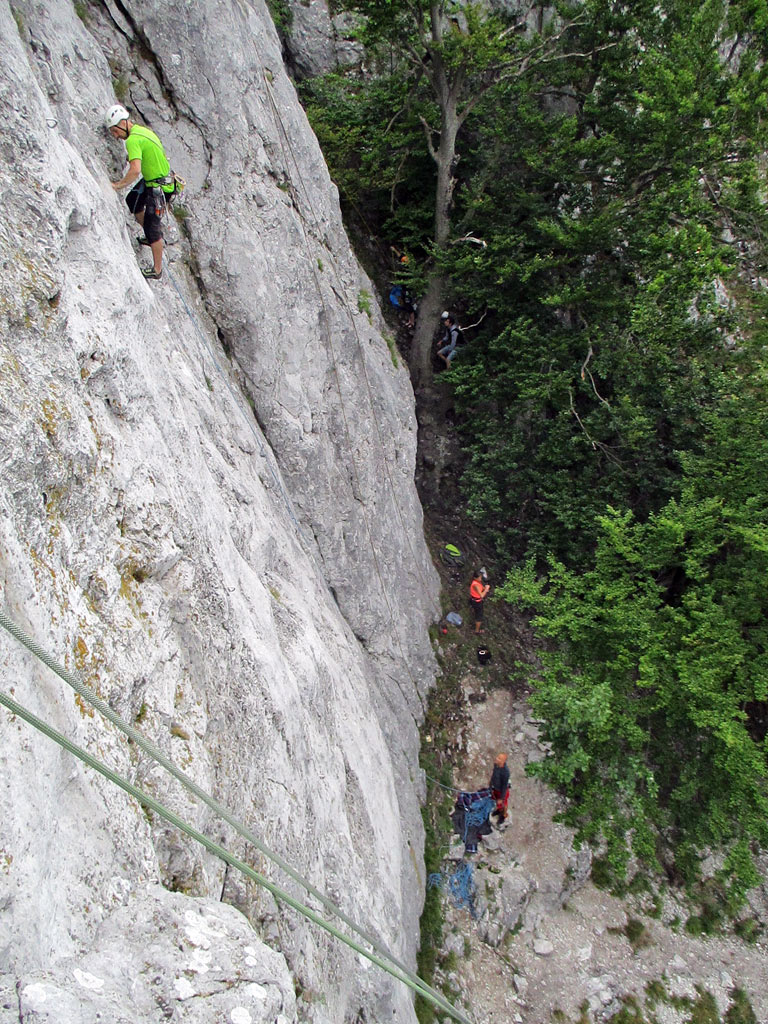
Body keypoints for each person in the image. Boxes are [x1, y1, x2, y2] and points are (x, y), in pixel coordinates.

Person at [105, 104, 175, 281]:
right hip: (159, 179)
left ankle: (157, 269)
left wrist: (118, 185)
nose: (115, 136)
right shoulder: (142, 132)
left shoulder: (132, 140)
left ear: (122, 124)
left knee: (153, 227)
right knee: (133, 201)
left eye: (115, 131)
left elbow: (135, 170)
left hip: (159, 187)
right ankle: (151, 235)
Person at [489, 753, 510, 824]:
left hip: (501, 791)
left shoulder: (505, 772)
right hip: (495, 788)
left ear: (503, 761)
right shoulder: (496, 765)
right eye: (497, 757)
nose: (496, 759)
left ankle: (503, 815)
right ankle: (499, 810)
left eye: (499, 758)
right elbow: (494, 774)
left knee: (503, 804)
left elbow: (504, 786)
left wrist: (501, 798)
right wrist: (491, 784)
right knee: (496, 801)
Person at [469, 569, 490, 634]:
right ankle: (477, 631)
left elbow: (481, 589)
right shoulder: (475, 585)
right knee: (479, 616)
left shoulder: (477, 582)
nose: (481, 578)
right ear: (476, 578)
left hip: (474, 600)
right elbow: (481, 595)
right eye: (480, 577)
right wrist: (486, 590)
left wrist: (484, 589)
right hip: (477, 602)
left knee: (477, 612)